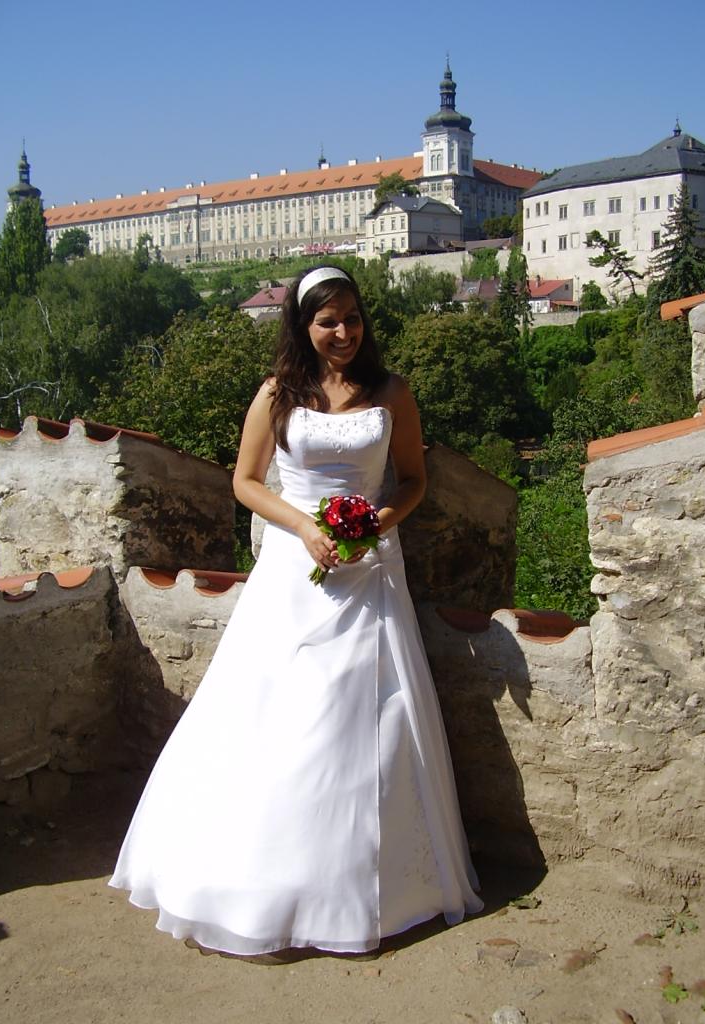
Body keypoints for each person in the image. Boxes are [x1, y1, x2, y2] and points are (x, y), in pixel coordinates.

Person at [109, 266, 483, 959]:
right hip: (293, 566)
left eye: (352, 318)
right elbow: (246, 481)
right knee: (274, 712)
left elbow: (413, 480)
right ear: (303, 327)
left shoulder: (392, 393)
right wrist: (307, 529)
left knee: (361, 714)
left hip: (369, 571)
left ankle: (366, 889)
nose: (343, 332)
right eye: (327, 321)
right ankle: (257, 881)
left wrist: (375, 525)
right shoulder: (277, 393)